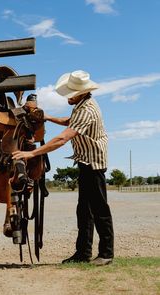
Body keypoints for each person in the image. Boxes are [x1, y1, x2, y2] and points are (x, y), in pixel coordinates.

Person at [12, 70, 114, 266]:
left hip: (94, 164)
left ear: (82, 92)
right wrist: (48, 117)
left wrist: (32, 153)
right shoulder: (82, 105)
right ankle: (83, 253)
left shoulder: (87, 110)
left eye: (71, 93)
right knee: (84, 210)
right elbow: (70, 121)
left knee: (100, 208)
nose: (68, 97)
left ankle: (106, 253)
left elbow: (63, 137)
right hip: (86, 162)